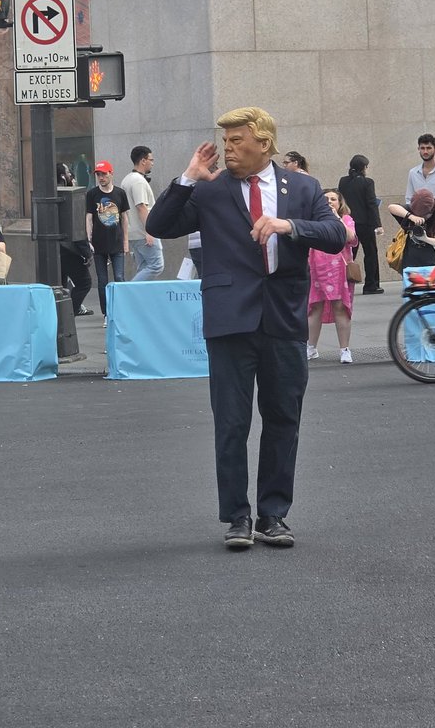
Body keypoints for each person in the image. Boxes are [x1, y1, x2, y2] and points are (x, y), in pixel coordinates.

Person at [146, 106, 346, 550]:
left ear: (264, 143)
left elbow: (336, 236)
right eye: (226, 141)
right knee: (232, 422)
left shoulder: (304, 188)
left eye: (237, 140)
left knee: (282, 419)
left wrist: (288, 225)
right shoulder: (212, 191)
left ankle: (273, 516)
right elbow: (158, 225)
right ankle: (237, 516)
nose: (227, 148)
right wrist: (188, 178)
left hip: (283, 319)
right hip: (230, 318)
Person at [307, 189, 357, 363]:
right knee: (314, 308)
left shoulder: (346, 219)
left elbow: (351, 237)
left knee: (340, 307)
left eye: (333, 199)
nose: (329, 202)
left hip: (339, 271)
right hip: (316, 268)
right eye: (326, 199)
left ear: (340, 203)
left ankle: (345, 349)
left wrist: (336, 219)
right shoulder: (314, 219)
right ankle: (311, 348)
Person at [85, 161, 129, 324]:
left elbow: (124, 218)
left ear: (111, 173)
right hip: (98, 243)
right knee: (102, 280)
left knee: (119, 277)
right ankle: (106, 313)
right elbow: (89, 217)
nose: (101, 177)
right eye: (98, 175)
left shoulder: (120, 193)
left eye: (104, 174)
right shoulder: (92, 194)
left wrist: (126, 242)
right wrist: (88, 239)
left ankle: (122, 310)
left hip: (117, 241)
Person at [338, 154, 384, 294]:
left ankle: (343, 282)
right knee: (370, 254)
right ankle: (371, 284)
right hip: (366, 223)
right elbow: (371, 204)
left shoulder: (343, 181)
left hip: (348, 223)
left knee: (349, 254)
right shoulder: (367, 182)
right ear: (364, 167)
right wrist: (378, 224)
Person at [121, 145, 164, 281]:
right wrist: (150, 231)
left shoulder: (127, 180)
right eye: (151, 159)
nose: (152, 163)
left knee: (143, 267)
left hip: (134, 232)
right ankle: (130, 292)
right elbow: (141, 207)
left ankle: (138, 299)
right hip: (143, 232)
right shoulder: (138, 181)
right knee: (156, 265)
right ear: (143, 161)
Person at [57, 163, 92, 316]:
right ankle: (69, 314)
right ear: (63, 177)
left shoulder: (49, 193)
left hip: (53, 250)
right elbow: (77, 227)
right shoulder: (70, 196)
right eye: (68, 173)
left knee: (60, 286)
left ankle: (61, 315)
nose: (72, 176)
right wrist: (87, 253)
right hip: (68, 249)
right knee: (84, 282)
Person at [386, 189, 435, 271]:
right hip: (411, 260)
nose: (422, 218)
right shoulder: (411, 212)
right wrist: (411, 216)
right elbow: (391, 207)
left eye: (424, 215)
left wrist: (425, 239)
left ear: (431, 211)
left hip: (433, 261)